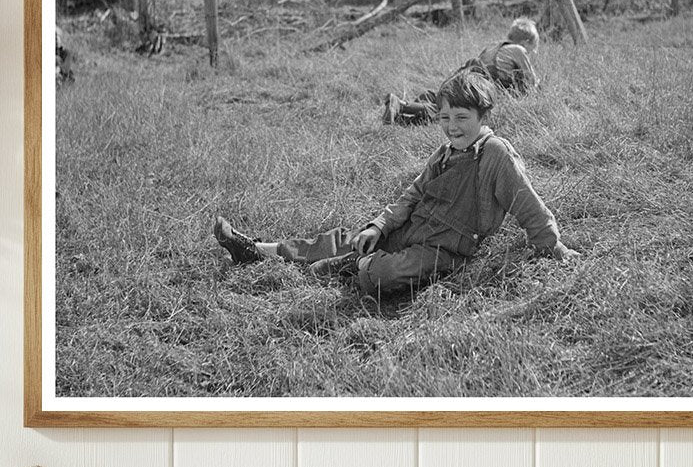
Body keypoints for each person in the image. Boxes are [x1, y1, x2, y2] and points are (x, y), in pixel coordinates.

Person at [214, 70, 579, 300]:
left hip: (444, 248)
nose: (453, 127)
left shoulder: (495, 154)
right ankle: (257, 249)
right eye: (446, 118)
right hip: (411, 229)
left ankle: (353, 267)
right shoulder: (445, 151)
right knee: (348, 238)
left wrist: (553, 246)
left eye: (462, 118)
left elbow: (528, 204)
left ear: (484, 117)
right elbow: (415, 193)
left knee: (380, 274)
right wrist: (380, 225)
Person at [381, 17, 541, 126]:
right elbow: (530, 81)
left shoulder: (494, 46)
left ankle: (403, 118)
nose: (532, 53)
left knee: (446, 103)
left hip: (466, 75)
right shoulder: (519, 49)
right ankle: (401, 105)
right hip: (480, 83)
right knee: (455, 112)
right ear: (526, 42)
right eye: (533, 50)